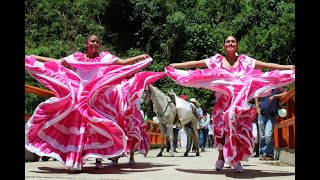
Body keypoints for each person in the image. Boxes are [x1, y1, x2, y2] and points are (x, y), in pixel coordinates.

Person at [25, 34, 166, 171]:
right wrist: (36, 58)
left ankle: (98, 159)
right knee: (78, 129)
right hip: (80, 96)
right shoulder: (77, 58)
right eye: (92, 41)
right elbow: (57, 61)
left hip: (97, 97)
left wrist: (139, 57)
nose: (95, 44)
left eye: (97, 42)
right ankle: (75, 160)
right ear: (86, 44)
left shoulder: (104, 57)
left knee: (98, 126)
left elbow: (123, 62)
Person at [165, 35, 295, 173]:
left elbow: (265, 65)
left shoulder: (244, 61)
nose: (230, 43)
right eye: (228, 41)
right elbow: (197, 63)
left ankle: (236, 160)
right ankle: (221, 157)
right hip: (222, 104)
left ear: (237, 45)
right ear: (224, 45)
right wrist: (178, 66)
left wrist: (286, 67)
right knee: (221, 131)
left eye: (233, 41)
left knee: (239, 131)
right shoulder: (217, 60)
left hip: (240, 104)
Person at [257, 87, 287, 161]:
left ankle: (270, 154)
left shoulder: (277, 87)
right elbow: (256, 96)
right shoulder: (263, 87)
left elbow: (285, 93)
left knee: (268, 135)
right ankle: (263, 153)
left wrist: (274, 96)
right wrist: (257, 107)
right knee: (262, 136)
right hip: (261, 115)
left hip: (271, 116)